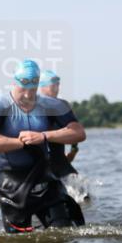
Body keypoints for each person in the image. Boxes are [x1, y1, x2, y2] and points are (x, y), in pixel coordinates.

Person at [0, 59, 86, 232]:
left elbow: (79, 132)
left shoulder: (52, 105)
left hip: (44, 178)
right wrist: (21, 142)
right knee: (17, 241)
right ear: (14, 82)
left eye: (33, 89)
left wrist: (43, 136)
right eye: (24, 88)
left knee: (63, 233)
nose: (28, 95)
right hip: (12, 184)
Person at [39, 69, 88, 202]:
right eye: (53, 84)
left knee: (84, 196)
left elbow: (74, 129)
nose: (57, 87)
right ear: (42, 86)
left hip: (60, 161)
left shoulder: (63, 105)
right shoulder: (35, 107)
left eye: (58, 84)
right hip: (42, 164)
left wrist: (74, 150)